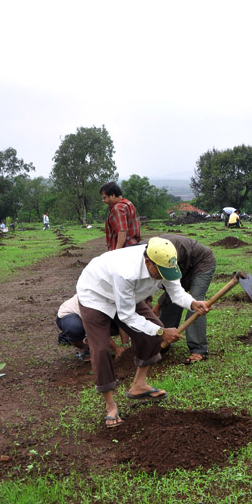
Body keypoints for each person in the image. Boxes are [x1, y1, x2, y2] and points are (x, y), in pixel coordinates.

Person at [76, 237, 211, 427]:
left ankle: (139, 385)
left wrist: (192, 303)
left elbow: (176, 291)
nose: (164, 276)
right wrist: (161, 331)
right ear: (148, 262)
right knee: (100, 349)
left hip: (129, 296)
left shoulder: (167, 264)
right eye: (160, 272)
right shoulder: (125, 272)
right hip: (97, 295)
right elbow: (127, 316)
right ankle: (111, 406)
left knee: (150, 334)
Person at [155, 234, 216, 364]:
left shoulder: (165, 252)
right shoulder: (146, 254)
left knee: (195, 302)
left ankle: (198, 349)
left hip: (201, 262)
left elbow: (174, 287)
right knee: (170, 302)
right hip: (182, 266)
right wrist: (160, 303)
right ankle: (163, 342)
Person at [100, 181, 141, 251]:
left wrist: (117, 251)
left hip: (125, 249)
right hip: (133, 244)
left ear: (113, 195)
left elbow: (122, 231)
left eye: (104, 197)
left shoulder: (118, 209)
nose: (103, 200)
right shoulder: (128, 203)